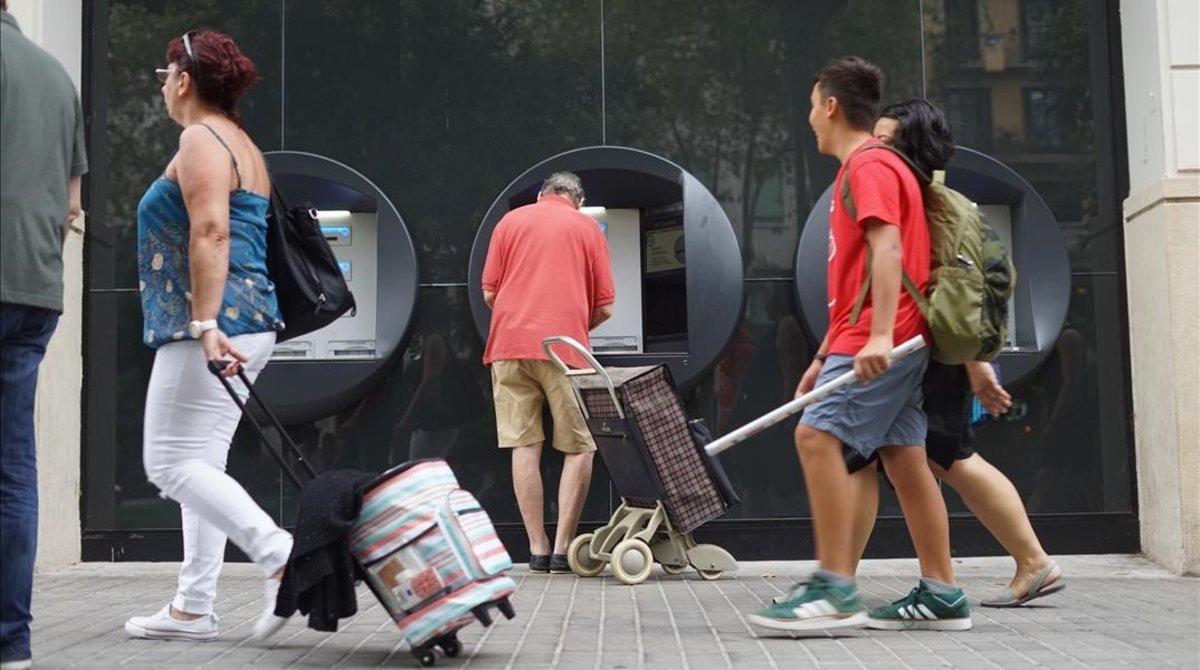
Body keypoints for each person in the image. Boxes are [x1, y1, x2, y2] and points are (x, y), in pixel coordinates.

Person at [749, 57, 970, 633]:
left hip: (886, 337)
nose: (808, 120)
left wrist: (875, 338)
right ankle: (942, 592)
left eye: (811, 105)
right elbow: (857, 280)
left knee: (816, 434)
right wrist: (826, 353)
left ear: (830, 105)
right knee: (904, 460)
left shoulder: (867, 165)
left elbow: (886, 249)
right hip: (886, 335)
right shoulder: (882, 165)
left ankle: (834, 587)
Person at [855, 98, 1064, 606]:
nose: (872, 150)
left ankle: (1032, 561)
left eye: (885, 141)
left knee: (945, 457)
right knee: (899, 457)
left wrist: (973, 363)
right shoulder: (929, 199)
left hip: (929, 356)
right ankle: (837, 578)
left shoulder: (929, 205)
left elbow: (952, 292)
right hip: (925, 355)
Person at [122, 29, 293, 643]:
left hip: (213, 324)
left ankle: (279, 555)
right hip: (248, 320)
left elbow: (212, 232)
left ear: (185, 79)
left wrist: (205, 322)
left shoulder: (199, 137)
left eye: (165, 75)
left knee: (167, 464)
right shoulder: (242, 143)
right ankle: (193, 608)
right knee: (201, 464)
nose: (163, 86)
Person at [0, 2, 88, 667]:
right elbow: (72, 206)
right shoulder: (57, 77)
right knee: (13, 468)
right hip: (34, 290)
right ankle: (12, 643)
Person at [481, 172, 614, 574]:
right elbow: (606, 307)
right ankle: (562, 549)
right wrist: (572, 323)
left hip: (508, 347)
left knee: (525, 446)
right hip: (563, 348)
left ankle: (536, 549)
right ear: (578, 199)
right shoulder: (587, 227)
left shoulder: (509, 222)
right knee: (579, 446)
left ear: (542, 194)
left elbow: (490, 293)